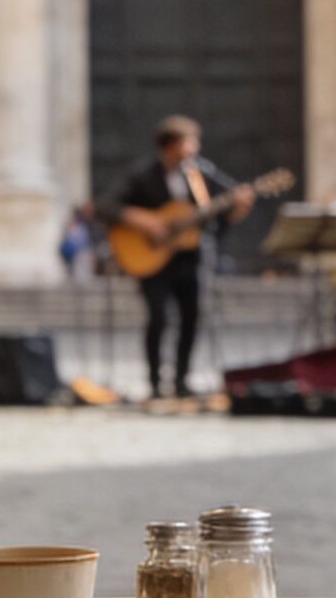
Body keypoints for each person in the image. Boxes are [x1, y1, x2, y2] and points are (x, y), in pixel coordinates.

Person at [109, 116, 254, 401]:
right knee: (158, 319)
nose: (196, 147)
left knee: (191, 317)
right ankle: (154, 382)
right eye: (190, 141)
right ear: (173, 145)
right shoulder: (142, 174)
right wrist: (144, 221)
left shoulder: (200, 175)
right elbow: (106, 206)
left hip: (189, 259)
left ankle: (181, 380)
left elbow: (213, 223)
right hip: (151, 259)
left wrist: (237, 210)